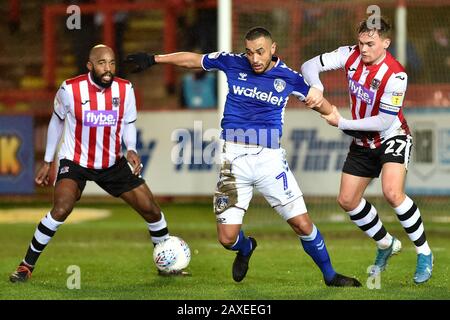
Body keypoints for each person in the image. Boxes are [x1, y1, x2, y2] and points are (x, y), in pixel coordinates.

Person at [125, 27, 361, 287]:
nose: (254, 59)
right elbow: (194, 60)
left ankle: (330, 276)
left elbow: (325, 107)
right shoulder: (233, 62)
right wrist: (154, 59)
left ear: (273, 49)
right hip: (233, 161)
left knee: (303, 225)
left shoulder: (290, 79)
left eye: (260, 52)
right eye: (250, 53)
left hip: (270, 161)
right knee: (227, 239)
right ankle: (246, 248)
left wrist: (334, 115)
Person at [9, 44, 184, 283]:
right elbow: (57, 122)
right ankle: (25, 266)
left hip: (112, 162)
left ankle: (166, 265)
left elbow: (128, 123)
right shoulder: (70, 89)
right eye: (102, 63)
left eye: (112, 62)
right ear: (90, 65)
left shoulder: (125, 89)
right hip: (76, 161)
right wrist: (49, 160)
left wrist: (131, 148)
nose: (108, 68)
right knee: (61, 208)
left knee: (151, 210)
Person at [301, 17, 433, 284]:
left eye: (370, 44)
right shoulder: (348, 55)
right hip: (362, 142)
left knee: (392, 193)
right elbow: (308, 65)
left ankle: (425, 253)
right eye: (360, 42)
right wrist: (317, 86)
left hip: (391, 136)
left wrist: (342, 123)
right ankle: (386, 244)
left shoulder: (396, 74)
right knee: (347, 200)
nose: (363, 49)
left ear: (386, 42)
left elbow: (384, 121)